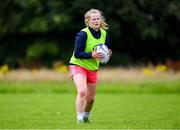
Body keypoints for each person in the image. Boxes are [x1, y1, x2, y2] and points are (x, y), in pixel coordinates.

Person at [69, 8, 112, 123]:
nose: (96, 21)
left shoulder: (104, 33)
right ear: (88, 21)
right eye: (94, 19)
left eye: (98, 19)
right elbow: (77, 53)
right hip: (78, 64)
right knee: (82, 91)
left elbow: (107, 49)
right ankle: (79, 120)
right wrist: (92, 55)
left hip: (92, 68)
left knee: (91, 99)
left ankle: (86, 118)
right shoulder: (83, 34)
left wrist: (107, 54)